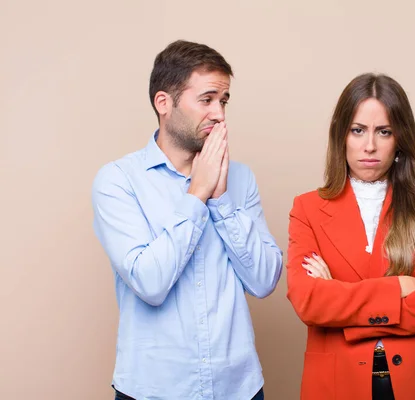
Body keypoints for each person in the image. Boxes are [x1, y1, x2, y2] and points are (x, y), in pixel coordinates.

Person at [92, 40, 282, 400]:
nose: (220, 115)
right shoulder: (117, 181)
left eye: (223, 101)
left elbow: (264, 281)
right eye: (207, 99)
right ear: (164, 103)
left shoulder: (240, 179)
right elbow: (150, 282)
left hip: (239, 388)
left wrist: (222, 201)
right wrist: (197, 195)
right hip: (154, 390)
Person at [286, 73, 415, 399]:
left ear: (400, 138)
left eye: (384, 132)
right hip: (339, 383)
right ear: (341, 135)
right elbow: (309, 302)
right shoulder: (307, 209)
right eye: (358, 130)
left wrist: (339, 294)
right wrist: (400, 287)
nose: (370, 145)